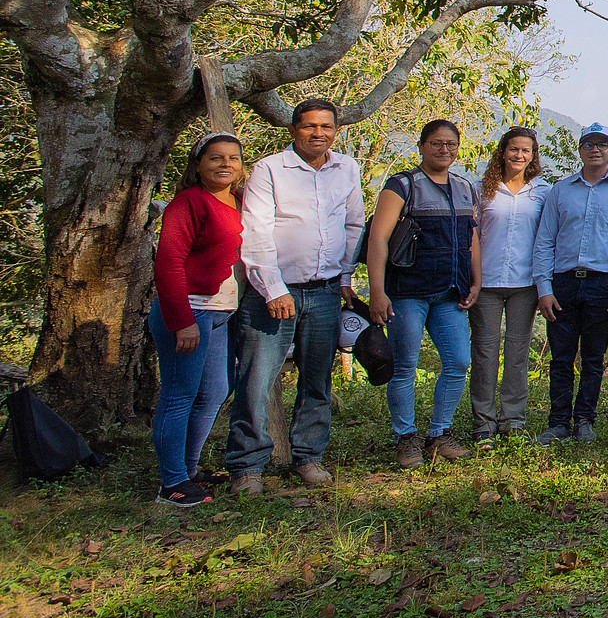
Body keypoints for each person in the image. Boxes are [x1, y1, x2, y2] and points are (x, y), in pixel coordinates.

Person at [230, 97, 364, 495]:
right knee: (256, 380)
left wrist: (344, 275)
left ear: (335, 131)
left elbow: (353, 223)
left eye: (326, 127)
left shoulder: (347, 168)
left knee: (317, 378)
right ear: (293, 130)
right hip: (273, 293)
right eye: (309, 126)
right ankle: (247, 467)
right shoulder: (271, 169)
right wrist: (272, 289)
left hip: (324, 291)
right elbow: (254, 232)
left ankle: (307, 456)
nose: (318, 134)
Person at [364, 120, 481, 467]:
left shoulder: (465, 187)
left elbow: (471, 240)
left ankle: (440, 433)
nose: (444, 150)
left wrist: (476, 281)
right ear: (422, 146)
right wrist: (377, 290)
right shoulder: (402, 185)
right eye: (436, 143)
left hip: (450, 292)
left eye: (450, 144)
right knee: (404, 366)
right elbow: (378, 238)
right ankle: (406, 437)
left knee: (459, 362)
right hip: (407, 292)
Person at [149, 132, 246, 507]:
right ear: (198, 164)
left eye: (233, 159)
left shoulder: (238, 201)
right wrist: (181, 319)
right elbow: (168, 262)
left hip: (221, 311)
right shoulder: (188, 204)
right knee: (179, 396)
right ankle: (171, 483)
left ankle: (187, 469)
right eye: (215, 158)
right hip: (190, 310)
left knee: (216, 391)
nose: (225, 164)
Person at [533, 123, 608, 443]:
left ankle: (584, 420)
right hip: (563, 282)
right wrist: (544, 288)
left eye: (602, 144)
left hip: (602, 284)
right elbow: (544, 242)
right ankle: (557, 423)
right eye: (588, 144)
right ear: (580, 150)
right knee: (561, 357)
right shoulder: (561, 190)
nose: (595, 149)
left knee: (594, 357)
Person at [470, 127, 548, 446]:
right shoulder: (481, 188)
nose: (519, 155)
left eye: (526, 151)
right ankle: (484, 422)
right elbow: (471, 237)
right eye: (514, 149)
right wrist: (471, 279)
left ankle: (513, 418)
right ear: (503, 151)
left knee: (517, 352)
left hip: (525, 284)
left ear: (533, 156)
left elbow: (547, 238)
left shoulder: (542, 191)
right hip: (486, 283)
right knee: (485, 352)